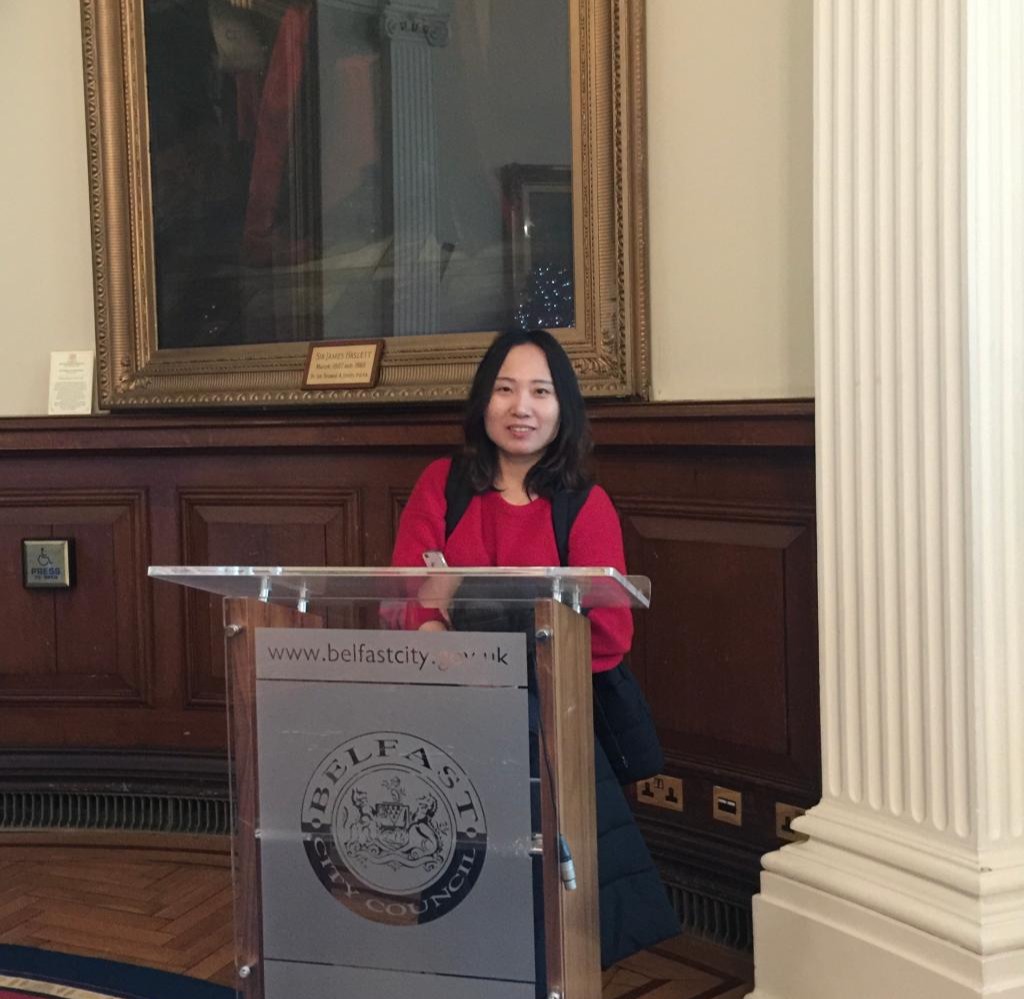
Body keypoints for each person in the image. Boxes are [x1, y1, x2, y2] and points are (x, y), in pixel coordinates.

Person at [390, 328, 680, 971]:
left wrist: (465, 610)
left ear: (562, 407)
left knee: (547, 899)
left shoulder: (585, 504)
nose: (521, 407)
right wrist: (463, 631)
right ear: (483, 401)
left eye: (540, 392)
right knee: (455, 872)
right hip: (451, 718)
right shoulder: (442, 484)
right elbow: (411, 600)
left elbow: (608, 634)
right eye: (505, 389)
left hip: (550, 724)